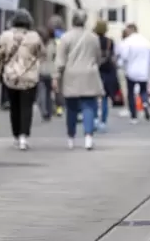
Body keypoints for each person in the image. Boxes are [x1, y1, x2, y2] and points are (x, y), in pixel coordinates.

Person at [0, 9, 43, 150]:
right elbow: (41, 53)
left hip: (11, 76)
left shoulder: (5, 36)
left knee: (14, 107)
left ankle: (15, 135)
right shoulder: (34, 37)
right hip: (29, 76)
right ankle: (23, 137)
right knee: (27, 107)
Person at [54, 10, 104, 150]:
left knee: (71, 108)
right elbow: (98, 57)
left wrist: (56, 75)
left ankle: (71, 137)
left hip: (71, 75)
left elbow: (60, 60)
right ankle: (88, 137)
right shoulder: (93, 38)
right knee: (88, 106)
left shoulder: (65, 38)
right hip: (89, 73)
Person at [118, 23, 150, 123]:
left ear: (130, 30)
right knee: (143, 90)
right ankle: (145, 104)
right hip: (143, 71)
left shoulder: (127, 42)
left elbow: (124, 56)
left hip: (131, 71)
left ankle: (134, 116)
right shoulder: (145, 41)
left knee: (131, 93)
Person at [94, 20, 118, 131]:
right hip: (108, 72)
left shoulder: (93, 41)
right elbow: (113, 57)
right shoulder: (110, 42)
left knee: (93, 97)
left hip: (95, 71)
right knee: (104, 98)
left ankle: (94, 118)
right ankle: (103, 121)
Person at [37, 27, 57, 121]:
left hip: (42, 71)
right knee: (47, 93)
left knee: (43, 93)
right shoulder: (52, 45)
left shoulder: (39, 46)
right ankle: (47, 112)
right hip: (49, 71)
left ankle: (45, 112)